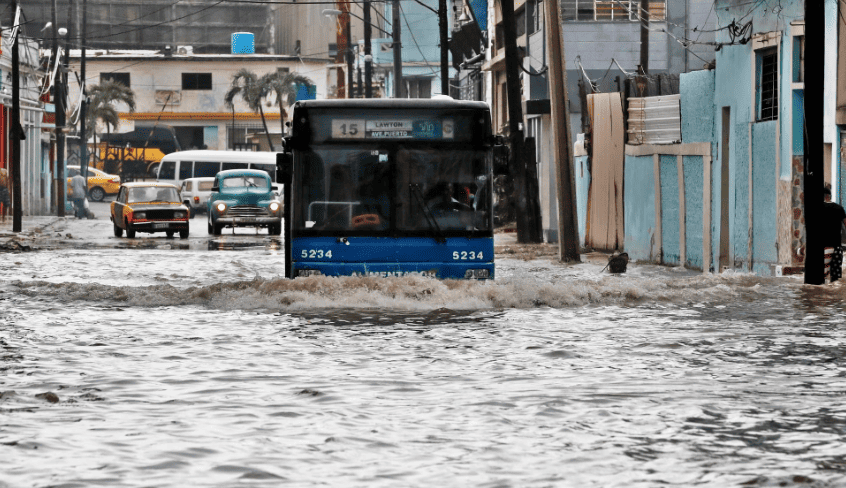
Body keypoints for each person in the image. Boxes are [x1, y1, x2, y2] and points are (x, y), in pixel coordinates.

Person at [823, 186, 846, 282]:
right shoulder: (839, 208)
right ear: (829, 196)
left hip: (824, 246)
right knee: (835, 279)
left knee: (822, 277)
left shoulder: (818, 208)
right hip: (837, 247)